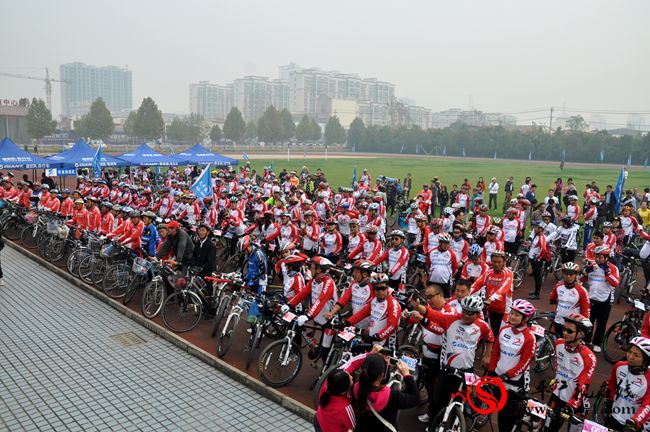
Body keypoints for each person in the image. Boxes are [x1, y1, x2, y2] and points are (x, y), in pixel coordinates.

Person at [409, 295, 493, 428]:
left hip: (467, 371)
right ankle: (433, 425)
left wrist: (487, 355)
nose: (466, 315)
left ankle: (458, 425)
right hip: (447, 369)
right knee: (438, 401)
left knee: (462, 403)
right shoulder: (451, 319)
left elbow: (490, 338)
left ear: (477, 314)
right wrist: (418, 306)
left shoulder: (482, 326)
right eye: (464, 311)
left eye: (470, 313)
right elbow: (433, 314)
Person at [403, 283, 455, 424]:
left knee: (439, 391)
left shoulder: (449, 311)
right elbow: (418, 319)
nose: (428, 300)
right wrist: (408, 317)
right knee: (429, 385)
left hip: (440, 356)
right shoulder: (430, 308)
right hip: (426, 352)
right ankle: (432, 412)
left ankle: (437, 417)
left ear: (440, 295)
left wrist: (423, 320)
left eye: (431, 297)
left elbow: (440, 329)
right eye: (426, 297)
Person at [488, 299, 537, 432]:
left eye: (516, 314)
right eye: (511, 313)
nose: (512, 316)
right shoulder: (504, 329)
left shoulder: (529, 338)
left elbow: (524, 364)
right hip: (499, 379)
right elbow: (495, 352)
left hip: (515, 383)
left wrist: (505, 375)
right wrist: (492, 371)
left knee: (510, 419)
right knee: (501, 413)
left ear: (525, 318)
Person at [545, 314, 596, 432]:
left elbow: (583, 385)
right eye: (564, 329)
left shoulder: (589, 357)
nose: (565, 333)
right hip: (557, 397)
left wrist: (571, 406)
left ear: (581, 334)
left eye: (569, 331)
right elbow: (558, 368)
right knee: (547, 429)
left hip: (576, 404)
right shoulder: (558, 344)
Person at [603, 337, 650, 431]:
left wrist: (634, 422)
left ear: (646, 360)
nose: (630, 357)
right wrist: (608, 404)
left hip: (635, 423)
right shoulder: (619, 366)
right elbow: (612, 386)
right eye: (629, 352)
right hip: (615, 416)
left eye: (636, 355)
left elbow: (647, 405)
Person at [581, 245, 619, 352]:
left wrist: (607, 273)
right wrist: (585, 272)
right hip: (592, 298)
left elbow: (616, 283)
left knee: (601, 323)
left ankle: (597, 343)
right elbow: (581, 279)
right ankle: (587, 339)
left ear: (606, 257)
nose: (597, 259)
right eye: (596, 257)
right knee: (589, 321)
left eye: (600, 257)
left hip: (605, 299)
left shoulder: (612, 268)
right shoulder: (592, 266)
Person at [471, 251, 514, 338]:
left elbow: (503, 288)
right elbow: (477, 284)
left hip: (505, 310)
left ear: (504, 262)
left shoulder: (508, 273)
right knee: (492, 334)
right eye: (494, 261)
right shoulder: (488, 273)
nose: (496, 264)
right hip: (490, 308)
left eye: (499, 262)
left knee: (501, 335)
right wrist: (467, 293)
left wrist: (491, 299)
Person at [549, 262, 590, 336]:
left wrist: (582, 326)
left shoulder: (582, 291)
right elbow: (552, 299)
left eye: (571, 274)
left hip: (572, 325)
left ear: (576, 275)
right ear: (563, 274)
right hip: (558, 321)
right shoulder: (558, 286)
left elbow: (586, 310)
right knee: (557, 344)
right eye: (566, 274)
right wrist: (553, 312)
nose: (568, 276)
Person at [314, 367, 356, 432]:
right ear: (343, 390)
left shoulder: (326, 388)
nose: (352, 377)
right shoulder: (345, 407)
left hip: (319, 423)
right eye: (350, 378)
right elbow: (353, 426)